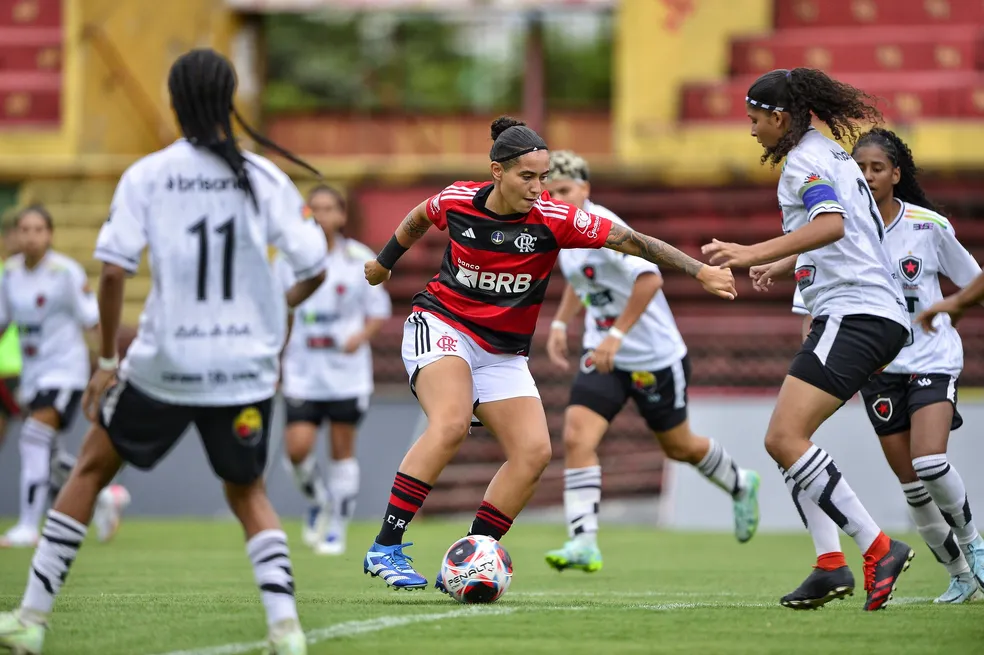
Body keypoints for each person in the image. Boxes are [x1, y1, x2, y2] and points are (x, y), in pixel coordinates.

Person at [0, 48, 327, 655]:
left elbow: (113, 272)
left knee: (91, 471)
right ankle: (287, 630)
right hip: (243, 370)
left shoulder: (148, 175)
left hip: (166, 364)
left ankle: (31, 620)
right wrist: (275, 307)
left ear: (175, 102)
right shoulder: (265, 177)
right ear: (228, 101)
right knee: (248, 493)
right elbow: (313, 265)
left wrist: (104, 362)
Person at [360, 116, 736, 591]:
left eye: (544, 178)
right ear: (496, 171)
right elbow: (418, 217)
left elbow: (634, 241)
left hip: (502, 353)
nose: (539, 188)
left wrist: (699, 270)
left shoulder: (556, 219)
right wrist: (383, 263)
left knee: (534, 453)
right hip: (442, 324)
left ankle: (471, 556)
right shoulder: (457, 200)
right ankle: (386, 547)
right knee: (452, 422)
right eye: (528, 177)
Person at [705, 68, 913, 611]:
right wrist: (790, 263)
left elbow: (831, 225)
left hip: (857, 311)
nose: (751, 131)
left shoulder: (803, 161)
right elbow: (846, 231)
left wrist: (754, 252)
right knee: (790, 445)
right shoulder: (831, 154)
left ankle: (878, 547)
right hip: (862, 310)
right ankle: (829, 564)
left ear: (779, 117)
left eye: (754, 120)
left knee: (783, 438)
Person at [773, 129, 984, 604]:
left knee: (929, 462)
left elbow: (976, 280)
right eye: (859, 168)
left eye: (876, 168)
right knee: (911, 486)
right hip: (876, 367)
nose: (867, 177)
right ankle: (959, 576)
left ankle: (972, 544)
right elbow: (812, 311)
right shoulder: (836, 231)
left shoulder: (928, 226)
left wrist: (947, 306)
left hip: (931, 358)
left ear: (896, 173)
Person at [540, 150, 761, 573]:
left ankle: (738, 481)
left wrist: (616, 336)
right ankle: (583, 541)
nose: (557, 199)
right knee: (576, 437)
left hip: (652, 357)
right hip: (603, 355)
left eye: (564, 190)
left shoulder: (603, 226)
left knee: (679, 446)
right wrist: (560, 323)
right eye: (549, 193)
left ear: (585, 190)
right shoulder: (560, 227)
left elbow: (650, 277)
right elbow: (579, 276)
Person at [276, 184, 392, 556]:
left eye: (330, 208)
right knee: (297, 449)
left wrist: (361, 336)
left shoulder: (358, 257)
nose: (322, 215)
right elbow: (280, 309)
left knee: (342, 451)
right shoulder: (287, 259)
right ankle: (318, 500)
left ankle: (337, 529)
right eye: (315, 208)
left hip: (346, 374)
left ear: (342, 215)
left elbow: (379, 309)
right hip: (303, 370)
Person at [0, 206, 100, 549]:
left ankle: (29, 526)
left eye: (38, 229)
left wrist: (106, 366)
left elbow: (92, 322)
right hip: (33, 375)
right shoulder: (9, 274)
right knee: (48, 453)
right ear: (16, 234)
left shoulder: (65, 273)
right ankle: (103, 496)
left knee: (32, 438)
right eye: (24, 229)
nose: (30, 236)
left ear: (50, 234)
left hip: (65, 371)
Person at [0, 218, 22, 450]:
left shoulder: (52, 274)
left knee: (41, 434)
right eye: (14, 233)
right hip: (4, 367)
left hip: (31, 368)